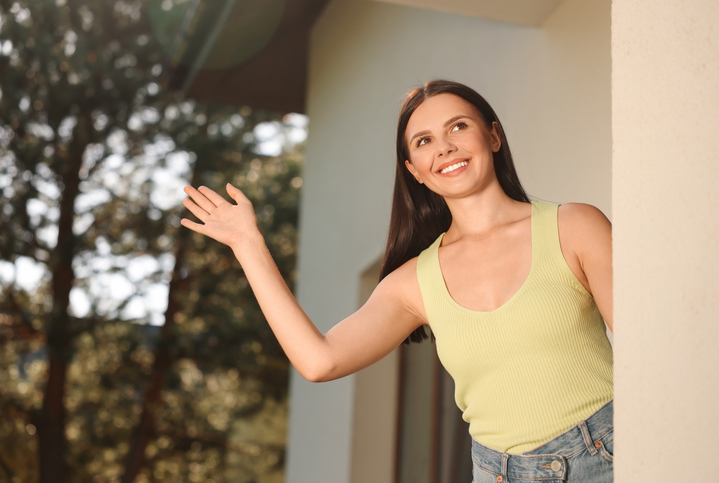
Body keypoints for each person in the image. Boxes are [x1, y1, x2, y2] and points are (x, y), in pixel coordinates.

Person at [181, 80, 614, 483]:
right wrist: (248, 245)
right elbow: (319, 361)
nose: (444, 148)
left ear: (493, 136)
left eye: (458, 127)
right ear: (415, 171)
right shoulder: (413, 283)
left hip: (610, 453)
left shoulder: (573, 226)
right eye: (424, 142)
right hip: (498, 471)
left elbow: (646, 352)